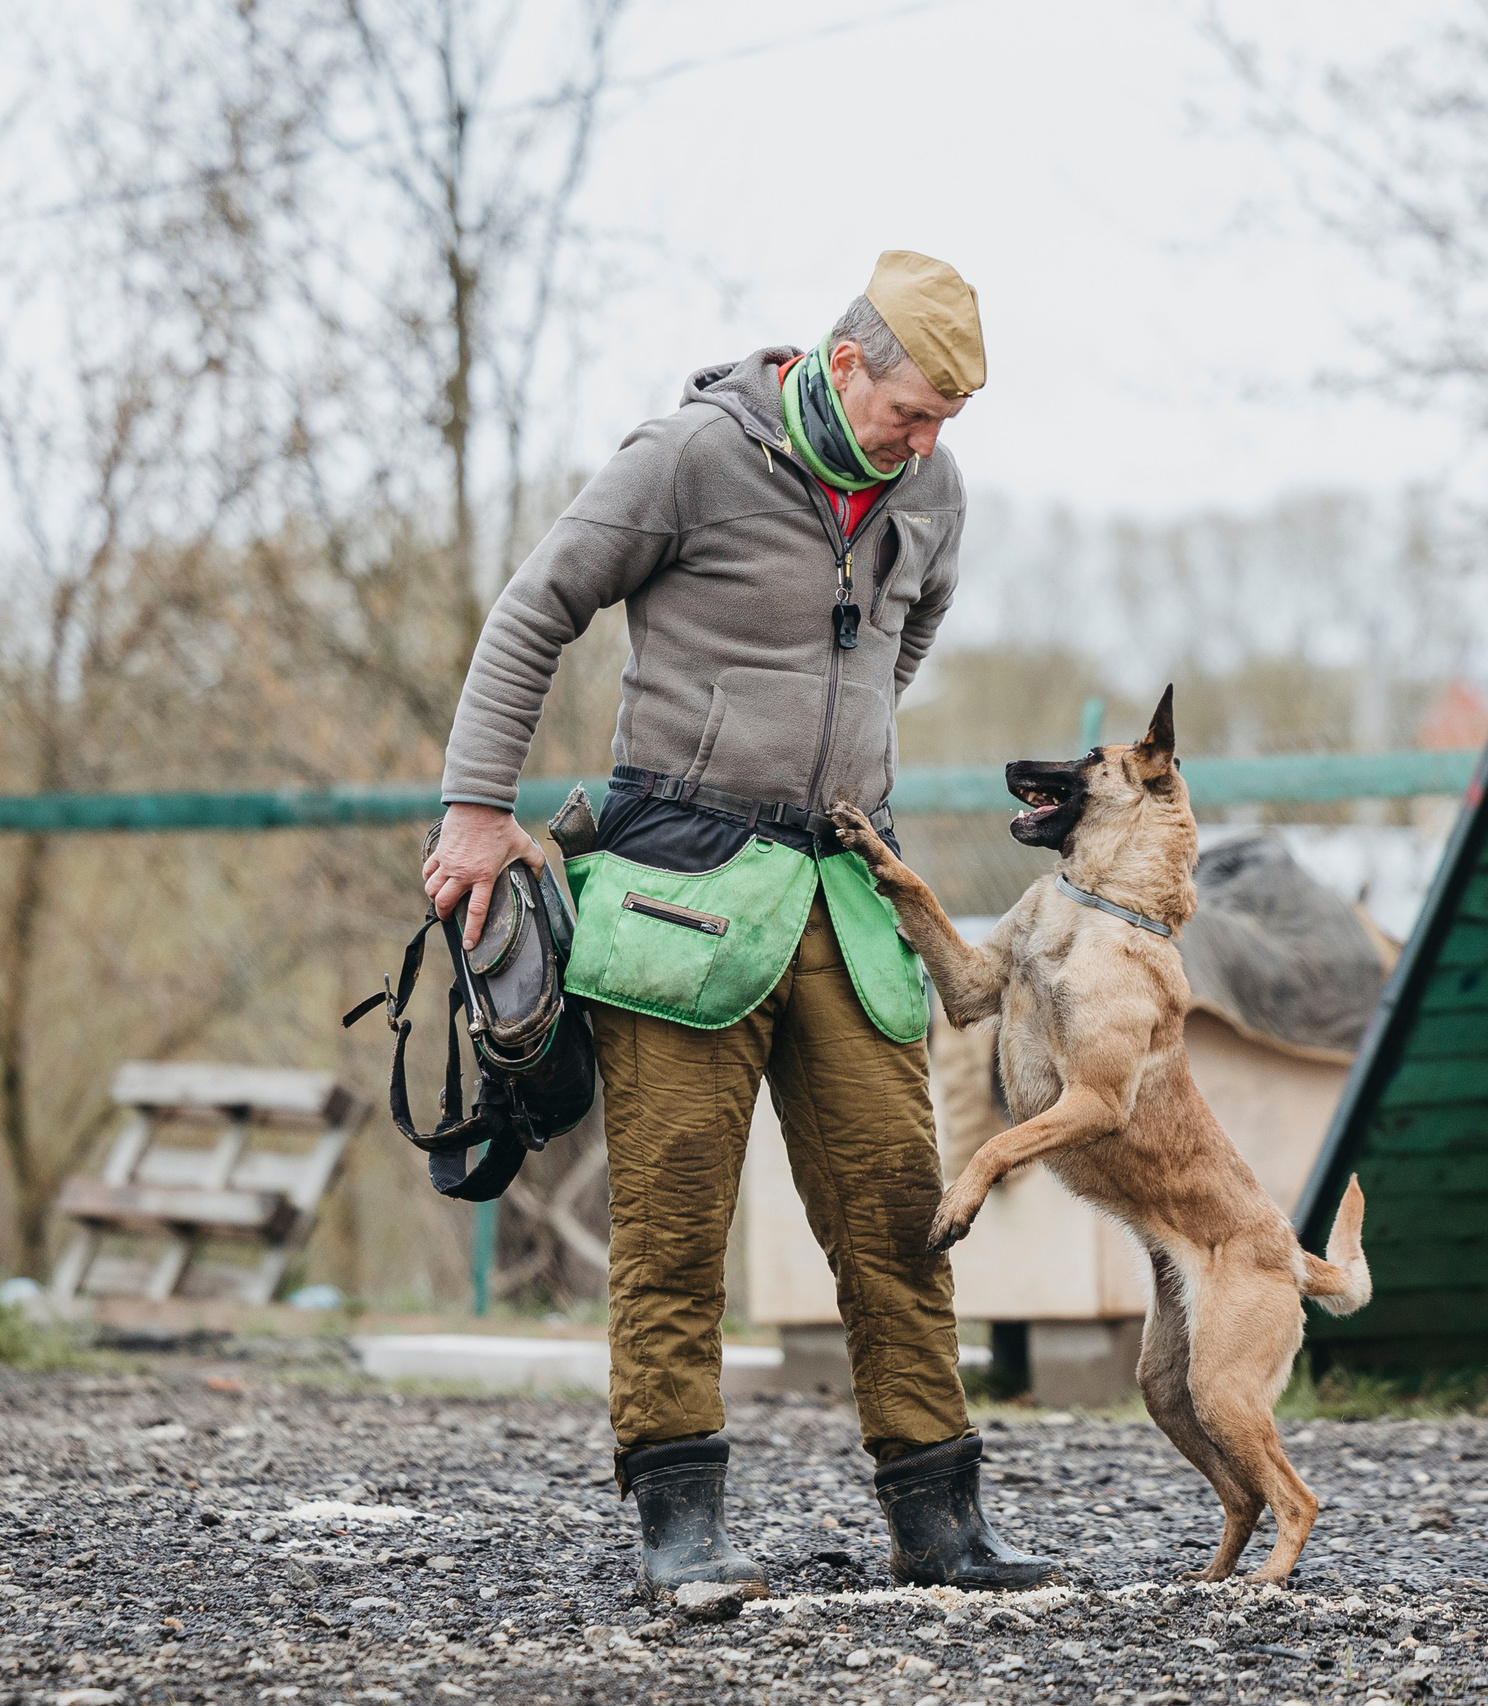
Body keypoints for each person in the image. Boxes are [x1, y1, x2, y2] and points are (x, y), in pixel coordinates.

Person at [422, 251, 1052, 1597]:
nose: (926, 442)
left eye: (948, 421)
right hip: (678, 892)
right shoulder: (691, 456)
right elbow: (536, 607)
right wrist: (477, 810)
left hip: (840, 887)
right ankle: (680, 1527)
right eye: (913, 409)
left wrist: (843, 743)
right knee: (673, 1216)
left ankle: (940, 1519)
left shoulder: (932, 491)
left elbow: (905, 632)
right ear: (843, 362)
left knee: (896, 1202)